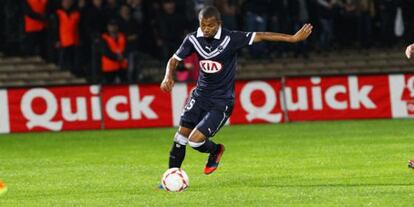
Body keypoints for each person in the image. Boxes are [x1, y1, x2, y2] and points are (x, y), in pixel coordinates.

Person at [160, 6, 312, 175]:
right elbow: (173, 60)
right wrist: (168, 76)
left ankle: (216, 150)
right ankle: (171, 177)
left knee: (195, 142)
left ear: (219, 23)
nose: (206, 29)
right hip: (200, 96)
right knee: (180, 138)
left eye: (210, 25)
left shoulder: (231, 38)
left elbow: (261, 36)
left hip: (221, 102)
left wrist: (292, 38)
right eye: (203, 25)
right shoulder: (193, 39)